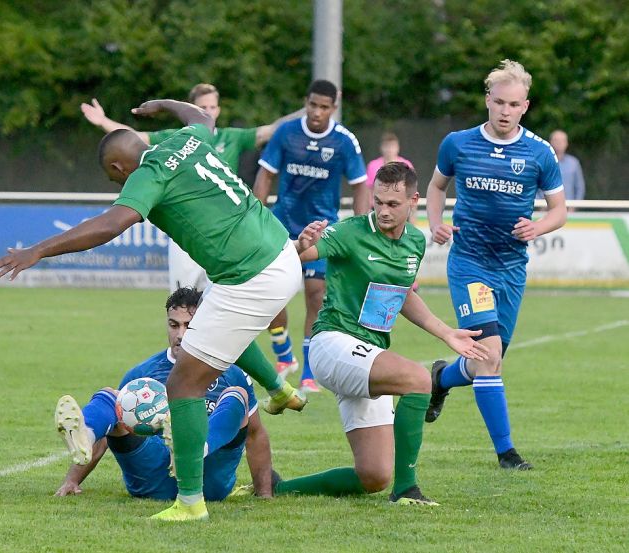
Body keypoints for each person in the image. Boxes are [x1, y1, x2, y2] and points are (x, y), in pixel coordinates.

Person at [0, 98, 307, 521]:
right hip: (280, 254)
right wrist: (166, 105)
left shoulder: (146, 175)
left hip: (252, 276)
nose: (117, 186)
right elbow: (202, 117)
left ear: (121, 170)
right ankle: (280, 389)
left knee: (182, 386)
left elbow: (108, 225)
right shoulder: (187, 139)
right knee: (211, 328)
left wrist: (38, 250)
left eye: (112, 179)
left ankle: (191, 503)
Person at [241, 162, 489, 505]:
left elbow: (401, 295)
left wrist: (446, 333)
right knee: (419, 379)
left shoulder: (415, 242)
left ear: (413, 200)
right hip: (333, 344)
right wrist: (300, 245)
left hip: (368, 355)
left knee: (373, 476)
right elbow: (302, 255)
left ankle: (277, 486)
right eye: (378, 202)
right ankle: (407, 491)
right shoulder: (351, 231)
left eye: (393, 204)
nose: (384, 211)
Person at [82, 84, 306, 374]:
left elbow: (270, 130)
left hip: (229, 235)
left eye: (214, 106)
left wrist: (306, 114)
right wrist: (104, 122)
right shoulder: (178, 137)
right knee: (192, 309)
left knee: (210, 334)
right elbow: (129, 142)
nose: (210, 111)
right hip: (198, 237)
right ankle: (271, 379)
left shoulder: (230, 137)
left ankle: (276, 358)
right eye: (205, 106)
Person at [425, 59, 567, 470]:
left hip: (511, 268)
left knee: (488, 360)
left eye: (514, 104)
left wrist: (537, 228)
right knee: (488, 356)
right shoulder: (458, 143)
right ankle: (507, 453)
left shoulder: (539, 153)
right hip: (470, 264)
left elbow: (559, 210)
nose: (505, 111)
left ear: (526, 106)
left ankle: (440, 379)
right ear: (487, 100)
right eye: (499, 102)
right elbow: (436, 186)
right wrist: (436, 224)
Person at [54, 287, 275, 501]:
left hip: (209, 479)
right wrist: (72, 480)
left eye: (189, 325)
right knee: (112, 397)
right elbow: (109, 433)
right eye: (173, 325)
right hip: (153, 476)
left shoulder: (232, 373)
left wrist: (264, 493)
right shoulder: (142, 374)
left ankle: (196, 450)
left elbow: (255, 435)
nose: (180, 334)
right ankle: (86, 433)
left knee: (237, 396)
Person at [253, 79, 371, 393]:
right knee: (272, 293)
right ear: (305, 102)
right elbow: (265, 175)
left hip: (322, 230)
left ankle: (308, 372)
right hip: (282, 226)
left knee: (316, 294)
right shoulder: (286, 133)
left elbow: (361, 184)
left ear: (334, 107)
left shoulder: (345, 141)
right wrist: (255, 216)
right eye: (312, 105)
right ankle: (283, 353)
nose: (317, 112)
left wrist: (359, 228)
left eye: (324, 107)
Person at [548, 129, 585, 203]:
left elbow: (580, 187)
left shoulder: (574, 163)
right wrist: (540, 205)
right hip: (546, 209)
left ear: (567, 143)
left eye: (562, 141)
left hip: (569, 208)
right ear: (550, 142)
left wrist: (575, 206)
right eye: (556, 140)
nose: (559, 143)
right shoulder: (542, 162)